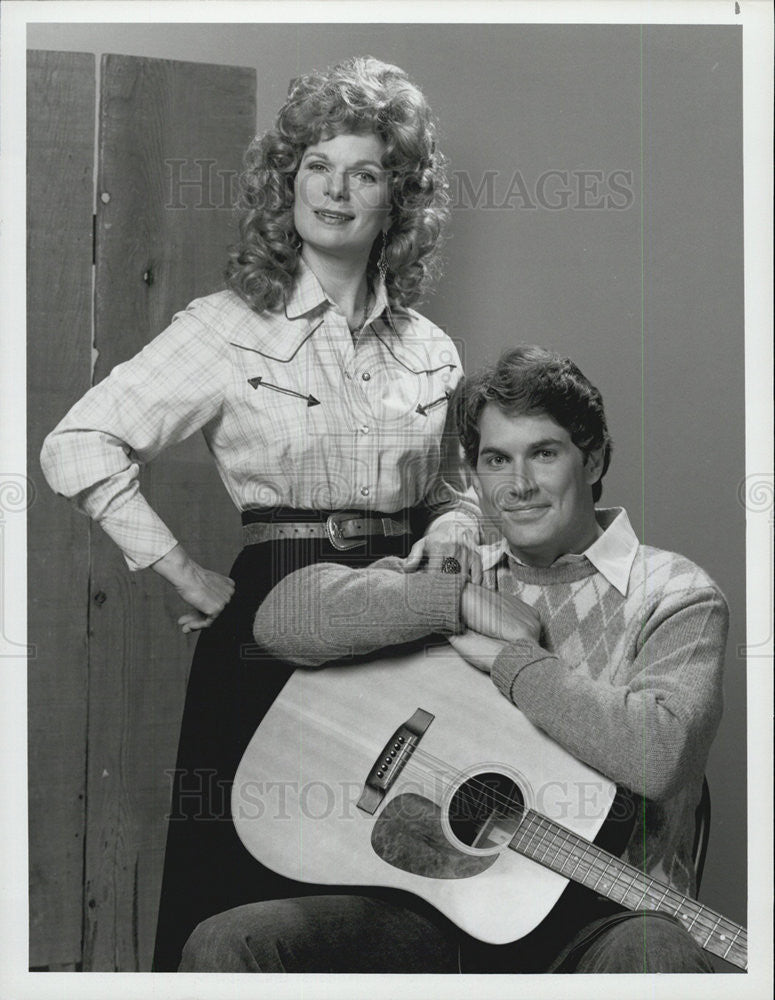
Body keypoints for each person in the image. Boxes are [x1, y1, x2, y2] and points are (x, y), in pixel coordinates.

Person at [39, 56, 481, 971]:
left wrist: (450, 524)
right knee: (244, 897)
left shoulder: (431, 348)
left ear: (394, 199)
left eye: (363, 172)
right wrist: (178, 568)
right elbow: (76, 442)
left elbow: (454, 487)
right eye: (317, 165)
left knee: (374, 881)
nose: (336, 189)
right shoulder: (228, 326)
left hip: (405, 631)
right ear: (287, 183)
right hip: (270, 633)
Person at [178, 345, 729, 974]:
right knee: (233, 943)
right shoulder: (459, 561)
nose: (518, 484)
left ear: (594, 457)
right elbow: (281, 620)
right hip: (437, 914)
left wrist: (513, 663)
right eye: (496, 459)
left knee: (651, 952)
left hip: (605, 923)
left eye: (543, 453)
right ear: (475, 474)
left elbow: (657, 757)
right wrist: (454, 599)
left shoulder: (677, 595)